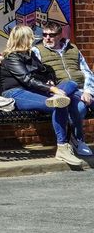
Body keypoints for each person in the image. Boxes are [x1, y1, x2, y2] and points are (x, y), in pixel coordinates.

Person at [0, 24, 86, 167]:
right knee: (60, 103)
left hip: (36, 91)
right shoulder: (12, 58)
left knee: (71, 84)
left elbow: (43, 71)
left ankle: (65, 146)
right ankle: (63, 147)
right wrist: (53, 89)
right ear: (23, 39)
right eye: (31, 37)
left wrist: (48, 81)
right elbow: (27, 80)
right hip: (16, 93)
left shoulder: (30, 54)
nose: (34, 39)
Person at [36, 22, 94, 156]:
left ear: (60, 35)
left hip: (82, 89)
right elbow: (27, 65)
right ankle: (78, 140)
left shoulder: (72, 49)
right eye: (45, 35)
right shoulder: (37, 51)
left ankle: (75, 139)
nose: (47, 38)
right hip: (62, 91)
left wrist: (88, 91)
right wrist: (1, 58)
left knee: (82, 104)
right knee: (79, 108)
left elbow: (87, 72)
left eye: (52, 35)